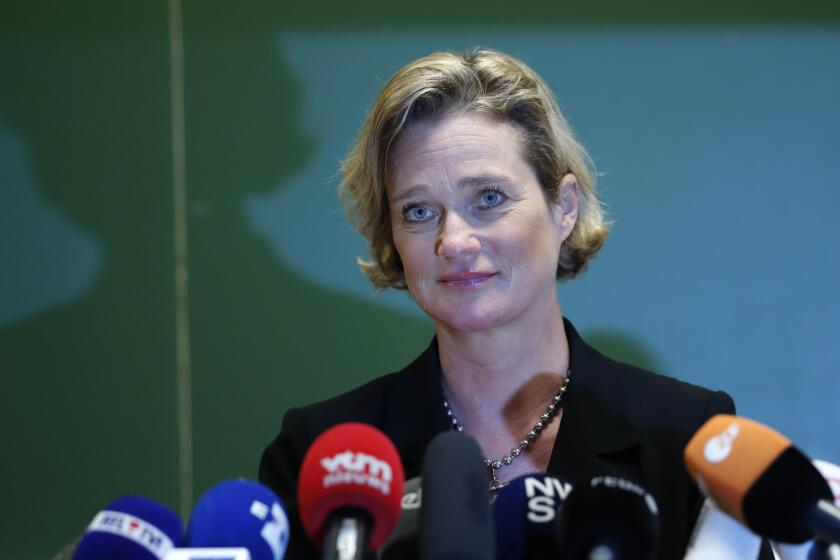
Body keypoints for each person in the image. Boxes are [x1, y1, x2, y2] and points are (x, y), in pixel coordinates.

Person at [260, 49, 747, 559]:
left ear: (563, 208)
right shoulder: (320, 454)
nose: (455, 241)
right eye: (419, 211)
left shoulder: (686, 436)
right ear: (393, 240)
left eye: (488, 198)